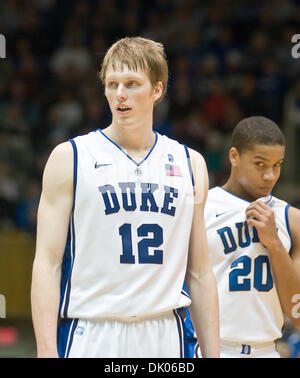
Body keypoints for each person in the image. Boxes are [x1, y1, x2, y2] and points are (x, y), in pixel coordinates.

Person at [31, 37, 220, 358]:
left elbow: (200, 272)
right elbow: (47, 265)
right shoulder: (71, 158)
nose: (120, 94)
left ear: (157, 90)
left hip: (166, 330)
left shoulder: (190, 164)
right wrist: (47, 351)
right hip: (92, 328)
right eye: (112, 84)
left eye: (132, 84)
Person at [184, 116, 300, 358]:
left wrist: (275, 243)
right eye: (260, 164)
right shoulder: (200, 207)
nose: (270, 175)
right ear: (234, 156)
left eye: (277, 165)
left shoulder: (292, 220)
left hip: (267, 350)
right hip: (211, 348)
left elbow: (298, 316)